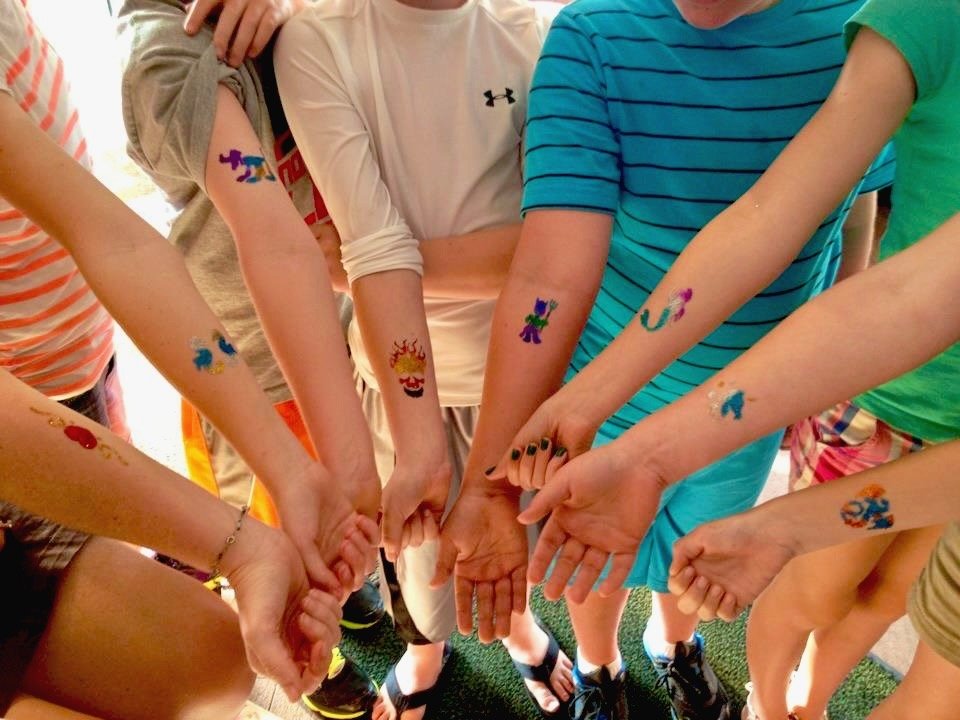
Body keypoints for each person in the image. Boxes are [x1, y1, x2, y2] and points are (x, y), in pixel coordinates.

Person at [433, 1, 893, 719]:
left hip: (751, 411)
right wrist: (493, 481)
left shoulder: (867, 29)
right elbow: (549, 274)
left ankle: (672, 647)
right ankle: (598, 667)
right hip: (606, 401)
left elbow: (853, 202)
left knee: (696, 555)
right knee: (589, 555)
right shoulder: (594, 36)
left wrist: (831, 343)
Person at [0, 2, 371, 712]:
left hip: (75, 366)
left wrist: (285, 488)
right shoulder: (159, 63)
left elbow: (114, 238)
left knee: (211, 659)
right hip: (31, 411)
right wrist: (239, 540)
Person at [273, 3, 575, 718]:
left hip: (523, 380)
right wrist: (422, 447)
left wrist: (374, 264)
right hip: (398, 386)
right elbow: (373, 240)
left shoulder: (531, 32)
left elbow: (553, 248)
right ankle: (427, 648)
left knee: (512, 543)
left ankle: (518, 626)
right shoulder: (317, 37)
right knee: (417, 554)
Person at [116, 1, 385, 716]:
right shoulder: (164, 58)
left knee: (326, 518)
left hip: (332, 339)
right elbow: (274, 239)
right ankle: (314, 665)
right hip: (253, 375)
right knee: (273, 527)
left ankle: (347, 592)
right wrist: (353, 468)